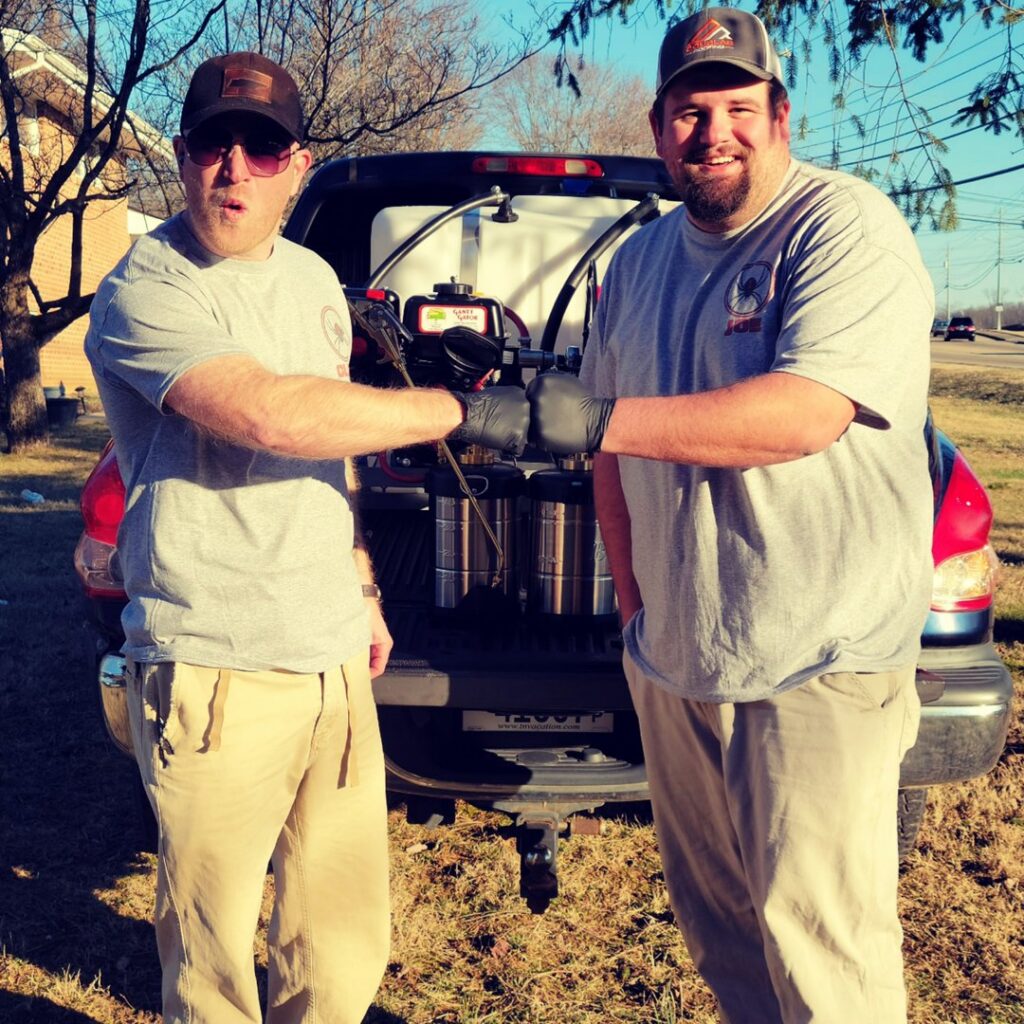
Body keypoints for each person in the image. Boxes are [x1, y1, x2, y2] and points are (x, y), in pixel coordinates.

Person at [85, 51, 527, 1024]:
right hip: (213, 662)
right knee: (211, 958)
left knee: (342, 941)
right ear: (182, 152)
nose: (233, 167)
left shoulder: (318, 279)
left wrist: (361, 582)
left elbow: (332, 451)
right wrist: (457, 410)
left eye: (262, 145)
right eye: (212, 143)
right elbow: (272, 415)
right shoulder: (144, 288)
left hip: (327, 655)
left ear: (296, 162)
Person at [527, 8, 934, 1023]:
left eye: (736, 107)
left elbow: (805, 411)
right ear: (658, 125)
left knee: (826, 964)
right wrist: (636, 611)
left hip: (818, 662)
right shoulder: (638, 264)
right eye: (688, 111)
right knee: (726, 942)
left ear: (779, 114)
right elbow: (607, 458)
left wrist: (603, 418)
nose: (713, 132)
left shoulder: (842, 227)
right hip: (678, 660)